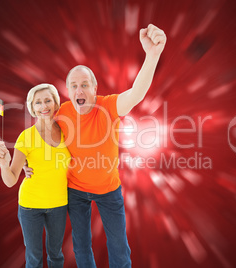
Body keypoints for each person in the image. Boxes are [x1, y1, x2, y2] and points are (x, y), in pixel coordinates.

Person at [25, 23, 167, 268]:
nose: (79, 90)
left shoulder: (109, 106)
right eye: (74, 86)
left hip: (109, 190)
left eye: (84, 85)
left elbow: (136, 93)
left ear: (94, 88)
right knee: (81, 245)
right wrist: (25, 162)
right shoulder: (62, 113)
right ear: (68, 91)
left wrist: (152, 55)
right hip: (75, 191)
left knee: (119, 245)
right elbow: (40, 136)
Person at [0, 84, 71, 268]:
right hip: (30, 207)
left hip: (59, 204)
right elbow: (11, 180)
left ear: (55, 103)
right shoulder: (25, 137)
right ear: (32, 107)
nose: (43, 106)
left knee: (56, 255)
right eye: (38, 102)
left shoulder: (67, 132)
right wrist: (4, 164)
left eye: (47, 100)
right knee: (34, 258)